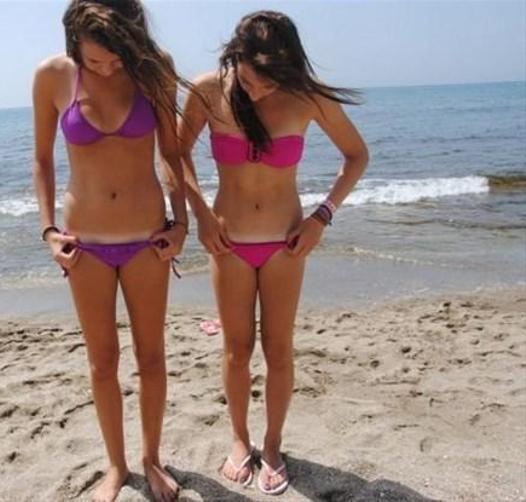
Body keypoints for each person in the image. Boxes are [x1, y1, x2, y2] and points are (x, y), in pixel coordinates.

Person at [178, 10, 369, 495]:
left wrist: (321, 217)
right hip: (228, 244)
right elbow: (175, 155)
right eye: (249, 80)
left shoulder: (306, 96)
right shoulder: (208, 91)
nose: (258, 91)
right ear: (235, 58)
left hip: (286, 244)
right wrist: (199, 215)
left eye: (269, 83)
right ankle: (239, 439)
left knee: (278, 349)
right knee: (236, 350)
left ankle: (274, 443)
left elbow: (357, 155)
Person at [31, 1, 190, 501]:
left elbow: (171, 152)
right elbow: (42, 160)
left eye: (115, 59)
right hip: (85, 246)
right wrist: (49, 231)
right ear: (73, 44)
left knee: (152, 357)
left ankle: (152, 459)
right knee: (102, 362)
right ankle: (117, 466)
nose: (105, 69)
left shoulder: (154, 67)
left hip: (148, 239)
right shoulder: (52, 76)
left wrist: (181, 222)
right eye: (94, 61)